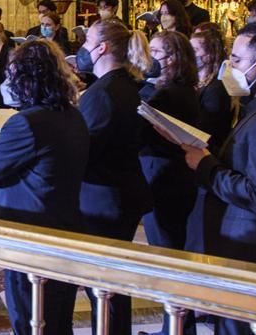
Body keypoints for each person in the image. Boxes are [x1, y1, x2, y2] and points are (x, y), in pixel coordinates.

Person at [166, 20, 256, 335]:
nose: (230, 67)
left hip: (253, 249)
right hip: (242, 245)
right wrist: (206, 150)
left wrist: (204, 166)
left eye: (238, 60)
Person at [0, 40, 88, 335]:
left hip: (28, 236)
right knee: (59, 321)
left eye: (12, 75)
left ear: (28, 78)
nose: (7, 82)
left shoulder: (27, 122)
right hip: (65, 231)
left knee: (30, 320)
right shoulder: (71, 114)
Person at [76, 19, 152, 335]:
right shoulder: (125, 85)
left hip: (102, 195)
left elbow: (85, 147)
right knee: (113, 281)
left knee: (103, 284)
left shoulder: (102, 92)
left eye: (88, 39)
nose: (83, 46)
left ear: (102, 48)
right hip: (121, 189)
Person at [139, 31, 200, 251]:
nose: (150, 58)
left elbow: (142, 131)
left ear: (172, 57)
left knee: (163, 244)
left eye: (155, 52)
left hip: (161, 172)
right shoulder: (184, 90)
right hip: (178, 173)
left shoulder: (167, 94)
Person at [190, 29, 233, 151]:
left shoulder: (217, 89)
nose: (189, 54)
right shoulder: (195, 80)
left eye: (194, 50)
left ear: (209, 55)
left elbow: (206, 129)